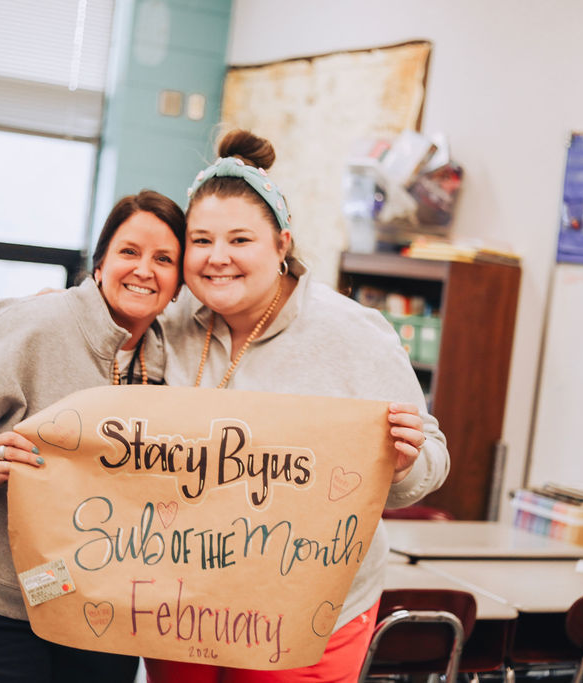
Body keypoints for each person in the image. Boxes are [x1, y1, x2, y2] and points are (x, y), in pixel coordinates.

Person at [146, 129, 451, 683]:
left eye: (240, 241)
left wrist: (405, 461)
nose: (218, 259)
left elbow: (430, 457)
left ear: (282, 245)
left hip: (310, 605)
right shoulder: (171, 323)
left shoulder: (352, 333)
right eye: (201, 241)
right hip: (184, 591)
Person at [0, 190, 187, 682]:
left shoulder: (175, 361)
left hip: (99, 613)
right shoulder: (36, 324)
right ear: (101, 262)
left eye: (164, 259)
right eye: (129, 251)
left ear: (178, 284)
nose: (144, 269)